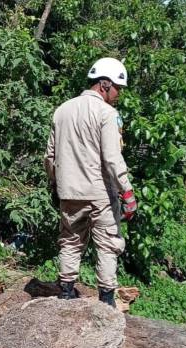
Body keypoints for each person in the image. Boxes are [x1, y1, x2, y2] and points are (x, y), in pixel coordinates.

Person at [44, 57, 137, 307]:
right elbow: (112, 157)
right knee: (107, 244)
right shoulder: (107, 113)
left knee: (70, 240)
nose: (119, 94)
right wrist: (126, 192)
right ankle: (106, 302)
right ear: (104, 84)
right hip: (100, 193)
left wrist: (56, 184)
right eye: (118, 88)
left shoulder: (62, 110)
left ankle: (65, 292)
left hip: (69, 190)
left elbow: (50, 156)